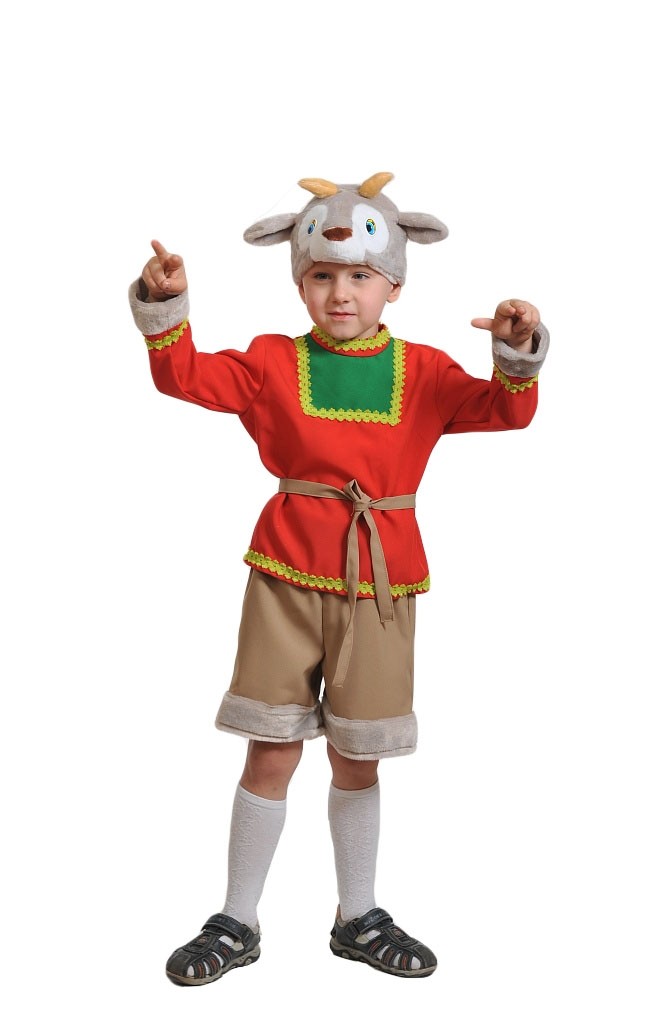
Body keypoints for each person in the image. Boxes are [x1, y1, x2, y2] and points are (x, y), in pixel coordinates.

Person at [129, 172, 549, 984]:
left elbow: (507, 409)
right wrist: (165, 305)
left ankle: (357, 916)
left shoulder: (424, 371)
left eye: (360, 275)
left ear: (394, 284)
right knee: (270, 750)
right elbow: (183, 377)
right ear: (299, 282)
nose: (340, 292)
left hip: (382, 585)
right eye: (321, 275)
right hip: (284, 578)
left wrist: (515, 348)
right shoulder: (269, 361)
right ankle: (237, 918)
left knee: (359, 757)